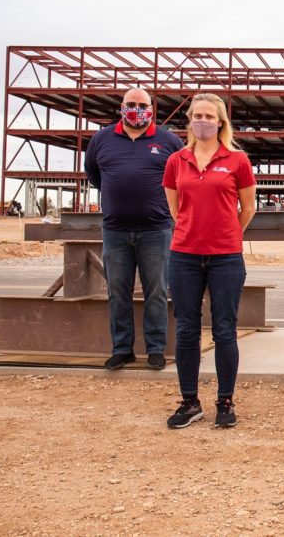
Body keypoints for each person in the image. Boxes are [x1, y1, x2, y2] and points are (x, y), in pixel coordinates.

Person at [162, 94, 256, 429]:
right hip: (184, 255)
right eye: (196, 115)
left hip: (226, 257)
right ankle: (189, 401)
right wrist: (194, 229)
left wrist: (227, 231)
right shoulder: (177, 160)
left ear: (220, 122)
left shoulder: (237, 160)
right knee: (186, 329)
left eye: (209, 116)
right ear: (189, 120)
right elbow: (175, 208)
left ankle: (225, 400)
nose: (202, 120)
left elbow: (248, 208)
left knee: (224, 329)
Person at [84, 87, 183, 371]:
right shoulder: (102, 139)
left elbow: (180, 177)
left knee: (156, 292)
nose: (136, 110)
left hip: (156, 230)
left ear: (152, 109)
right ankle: (121, 349)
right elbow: (94, 174)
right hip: (115, 231)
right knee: (118, 292)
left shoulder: (168, 140)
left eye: (142, 105)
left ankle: (155, 349)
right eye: (131, 104)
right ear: (121, 106)